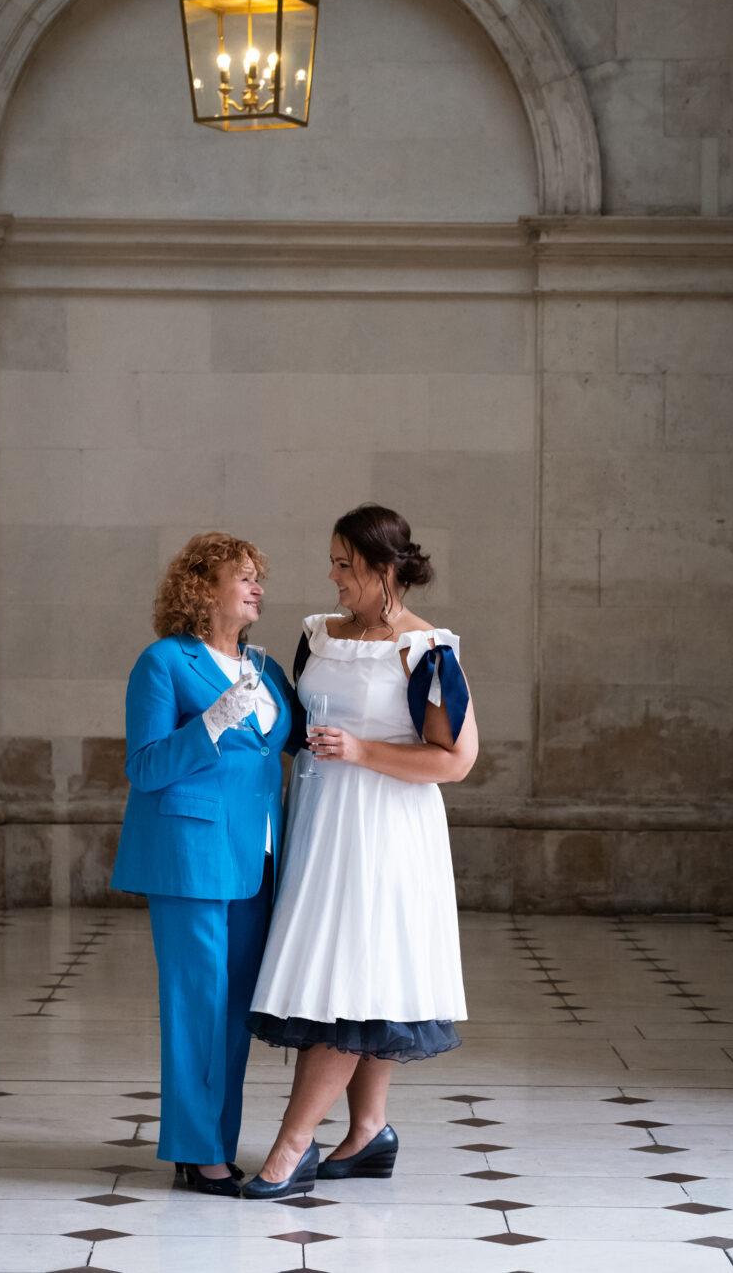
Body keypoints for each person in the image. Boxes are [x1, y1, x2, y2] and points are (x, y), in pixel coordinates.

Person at [241, 503, 478, 1200]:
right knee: (361, 979)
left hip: (386, 831)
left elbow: (456, 760)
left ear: (383, 570)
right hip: (319, 821)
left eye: (345, 564)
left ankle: (292, 1147)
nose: (333, 575)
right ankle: (369, 1128)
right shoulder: (318, 636)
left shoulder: (427, 650)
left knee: (347, 980)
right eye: (334, 562)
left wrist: (362, 751)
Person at [111, 532, 299, 1197]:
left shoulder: (269, 668)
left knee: (236, 1008)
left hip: (258, 857)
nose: (257, 588)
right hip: (190, 856)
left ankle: (216, 1141)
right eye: (242, 576)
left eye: (258, 577)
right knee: (197, 1004)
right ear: (202, 587)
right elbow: (145, 766)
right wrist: (213, 721)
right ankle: (196, 1152)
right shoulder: (163, 662)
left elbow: (297, 741)